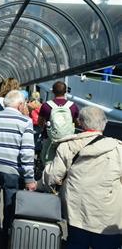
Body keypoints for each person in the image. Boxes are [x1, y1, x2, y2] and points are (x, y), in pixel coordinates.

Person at [38, 106, 122, 249]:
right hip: (108, 217)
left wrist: (38, 184)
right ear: (104, 123)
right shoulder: (118, 148)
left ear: (80, 123)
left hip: (77, 212)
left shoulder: (68, 146)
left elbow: (52, 176)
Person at [0, 90, 36, 247]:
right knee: (10, 205)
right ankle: (7, 235)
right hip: (12, 170)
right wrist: (29, 178)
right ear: (19, 104)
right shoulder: (25, 122)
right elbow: (27, 153)